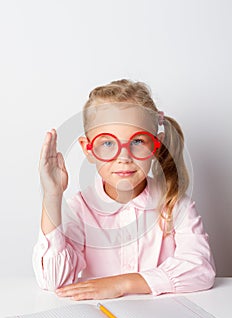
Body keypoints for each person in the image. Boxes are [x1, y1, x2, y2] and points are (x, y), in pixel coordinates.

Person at [33, 79, 216, 301]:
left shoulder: (175, 204)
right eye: (108, 143)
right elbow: (53, 281)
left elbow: (201, 270)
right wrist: (52, 196)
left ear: (156, 144)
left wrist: (123, 283)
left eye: (138, 141)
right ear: (88, 149)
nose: (124, 157)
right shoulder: (80, 210)